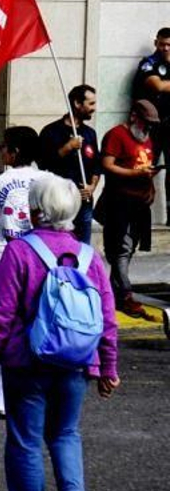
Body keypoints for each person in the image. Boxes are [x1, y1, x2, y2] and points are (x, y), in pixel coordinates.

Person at [0, 176, 119, 491]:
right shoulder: (88, 257)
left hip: (26, 363)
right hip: (75, 363)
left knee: (25, 440)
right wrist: (107, 368)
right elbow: (107, 319)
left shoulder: (19, 253)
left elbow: (0, 313)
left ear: (34, 210)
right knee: (65, 433)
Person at [0, 125, 45, 414]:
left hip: (2, 258)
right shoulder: (47, 180)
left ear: (15, 151)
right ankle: (31, 392)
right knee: (33, 322)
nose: (0, 151)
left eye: (4, 146)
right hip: (38, 259)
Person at [98, 99, 160, 319]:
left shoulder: (147, 138)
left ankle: (114, 292)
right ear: (134, 116)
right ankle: (125, 293)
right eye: (145, 122)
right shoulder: (117, 135)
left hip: (139, 204)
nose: (147, 127)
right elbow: (107, 165)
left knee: (127, 250)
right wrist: (136, 175)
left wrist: (150, 185)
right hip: (119, 202)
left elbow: (146, 166)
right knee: (121, 250)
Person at [38, 85, 101, 245]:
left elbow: (96, 166)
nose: (94, 108)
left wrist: (92, 186)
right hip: (59, 201)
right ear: (77, 104)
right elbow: (43, 163)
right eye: (91, 104)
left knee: (83, 245)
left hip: (83, 200)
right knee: (59, 243)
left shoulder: (90, 133)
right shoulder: (51, 131)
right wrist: (68, 147)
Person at [131, 26, 170, 151]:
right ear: (156, 43)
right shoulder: (148, 63)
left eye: (169, 45)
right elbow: (158, 86)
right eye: (162, 44)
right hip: (150, 122)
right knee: (147, 160)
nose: (166, 48)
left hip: (168, 121)